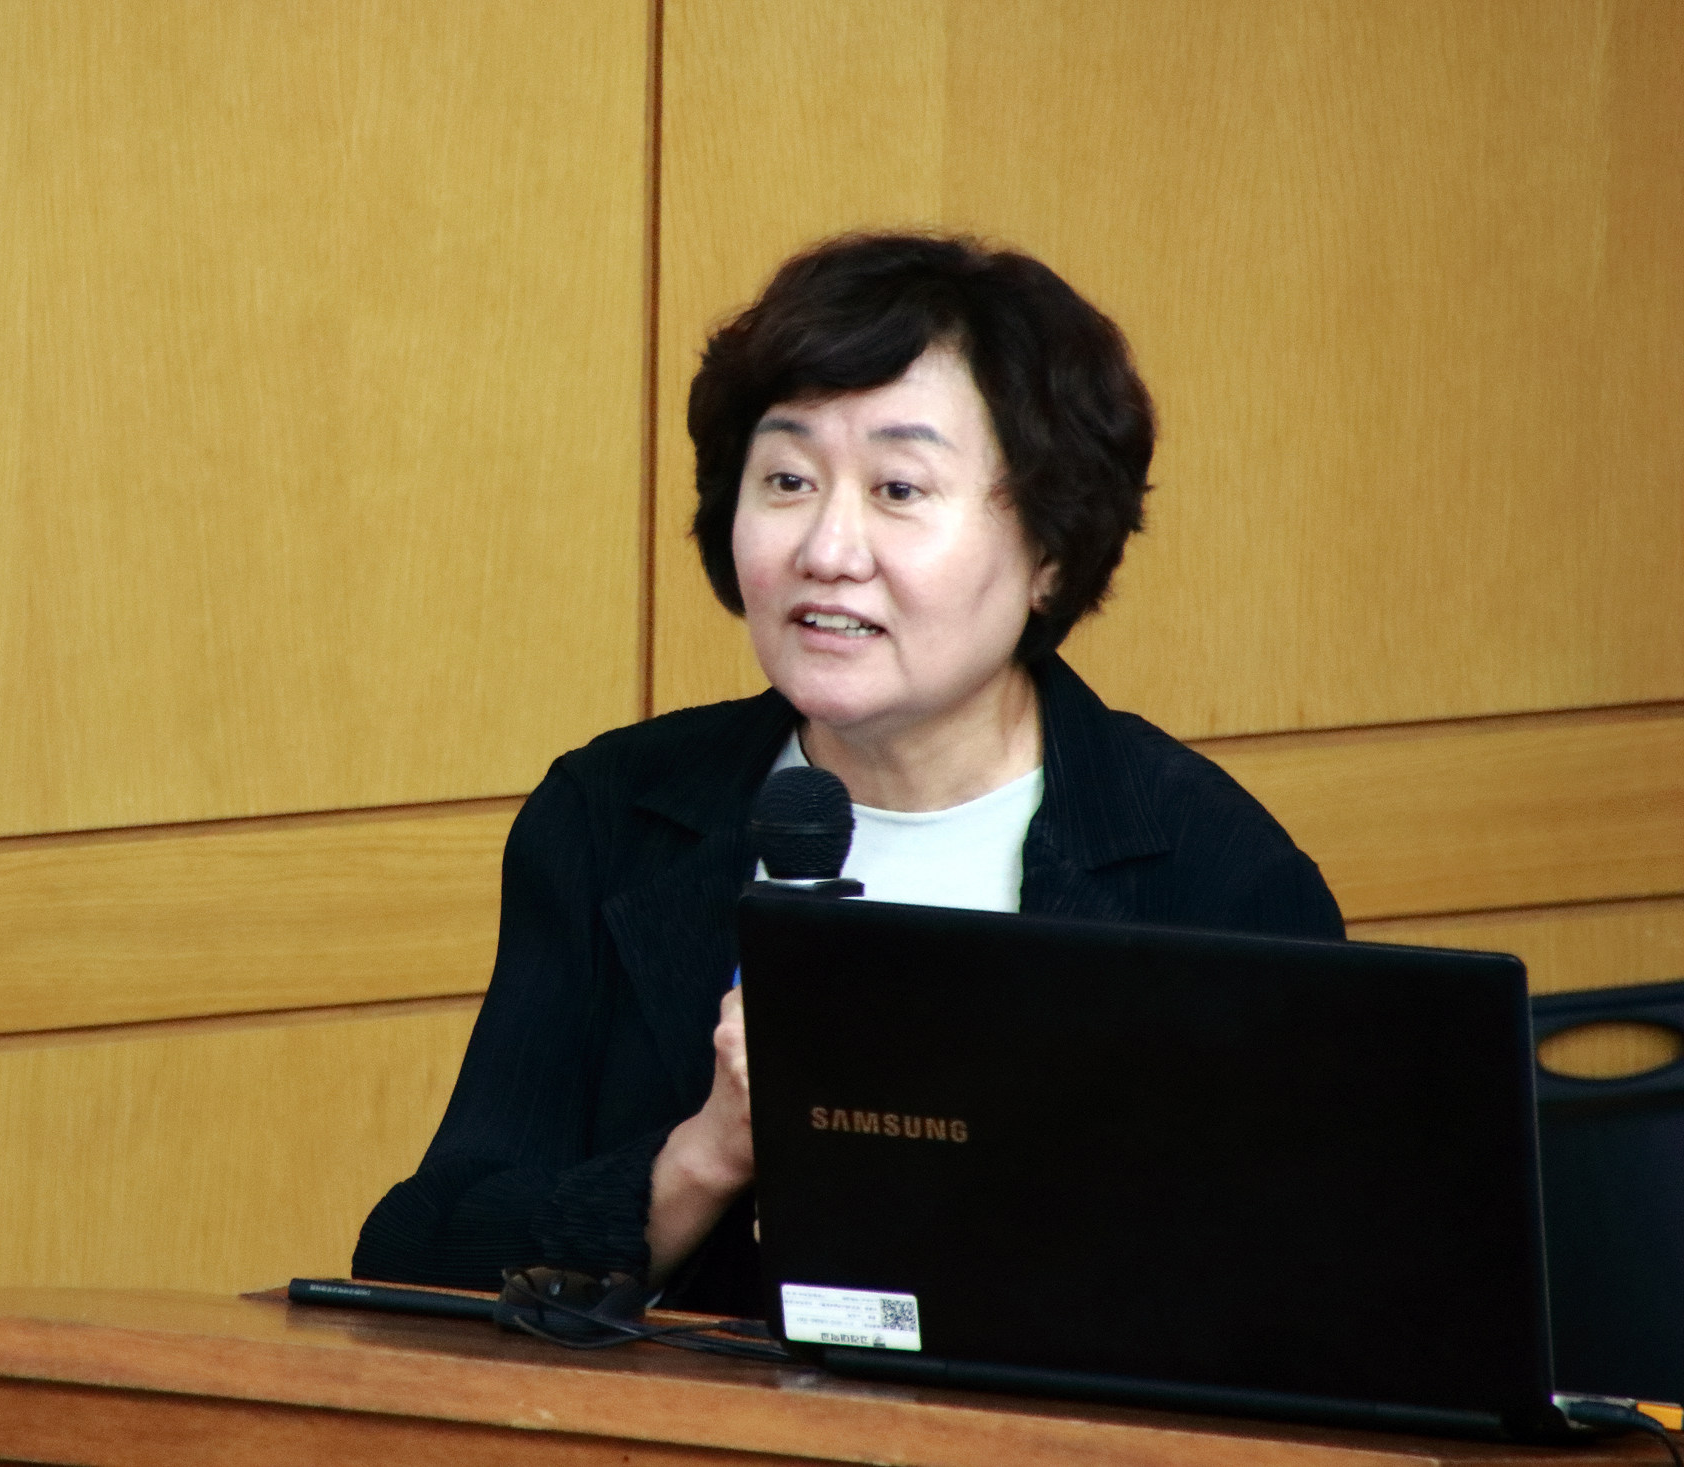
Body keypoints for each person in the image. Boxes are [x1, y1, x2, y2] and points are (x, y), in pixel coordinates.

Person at [353, 232, 1343, 1316]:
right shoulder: (614, 817)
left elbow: (1303, 1306)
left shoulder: (1210, 873)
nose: (827, 549)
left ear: (1051, 552)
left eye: (899, 489)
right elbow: (420, 1261)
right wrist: (710, 1150)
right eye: (787, 480)